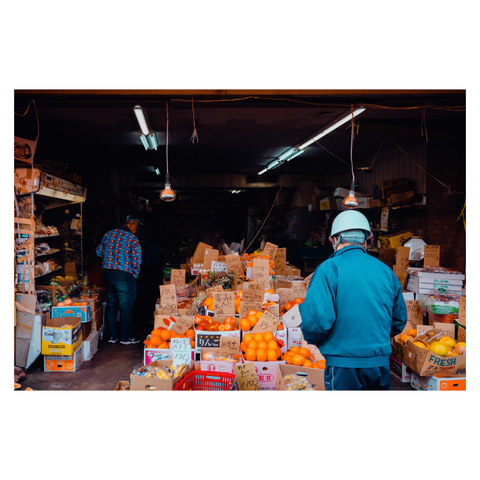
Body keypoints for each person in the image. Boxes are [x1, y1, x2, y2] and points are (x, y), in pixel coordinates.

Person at [299, 210, 407, 390]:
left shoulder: (329, 269)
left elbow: (316, 321)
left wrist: (314, 340)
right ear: (365, 241)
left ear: (335, 240)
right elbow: (399, 319)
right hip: (379, 363)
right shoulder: (385, 270)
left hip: (343, 364)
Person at [96, 213, 143, 345]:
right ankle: (126, 337)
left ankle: (111, 336)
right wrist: (134, 275)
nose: (136, 229)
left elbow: (98, 252)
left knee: (111, 305)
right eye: (137, 226)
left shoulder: (108, 234)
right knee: (125, 307)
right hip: (124, 275)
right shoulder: (132, 238)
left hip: (108, 273)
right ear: (132, 223)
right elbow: (136, 259)